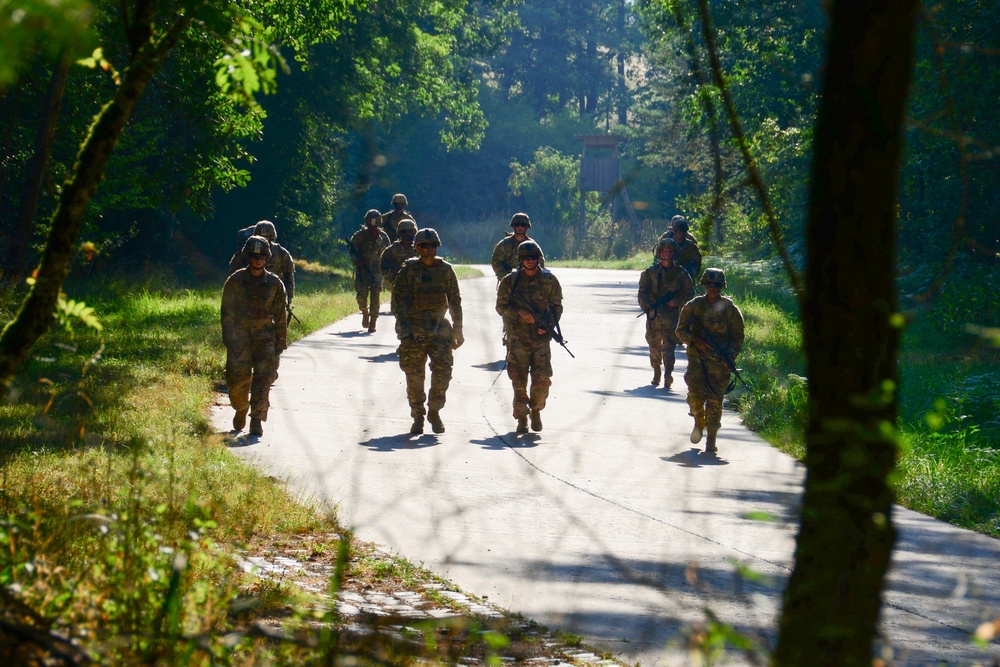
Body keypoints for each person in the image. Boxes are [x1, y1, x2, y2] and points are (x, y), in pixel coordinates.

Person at [392, 228, 464, 434]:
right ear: (418, 248)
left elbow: (455, 301)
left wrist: (458, 330)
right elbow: (399, 303)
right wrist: (405, 330)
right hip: (414, 331)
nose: (429, 250)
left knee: (443, 374)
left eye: (432, 246)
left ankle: (434, 410)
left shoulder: (445, 270)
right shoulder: (408, 271)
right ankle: (418, 416)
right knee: (414, 377)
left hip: (439, 330)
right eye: (425, 246)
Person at [221, 235, 288, 436]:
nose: (258, 260)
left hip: (264, 339)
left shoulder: (275, 284)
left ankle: (257, 419)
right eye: (254, 256)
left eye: (261, 256)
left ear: (267, 258)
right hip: (239, 339)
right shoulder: (235, 281)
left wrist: (279, 344)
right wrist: (230, 339)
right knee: (236, 380)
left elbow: (280, 316)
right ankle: (241, 408)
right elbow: (226, 313)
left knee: (263, 380)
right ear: (248, 257)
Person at [495, 240, 563, 434]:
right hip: (517, 340)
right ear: (520, 259)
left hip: (541, 341)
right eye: (526, 258)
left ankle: (535, 410)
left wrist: (549, 324)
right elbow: (501, 307)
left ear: (538, 259)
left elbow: (557, 307)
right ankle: (522, 418)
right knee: (519, 382)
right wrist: (519, 313)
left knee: (542, 381)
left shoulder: (550, 281)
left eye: (533, 258)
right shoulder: (510, 281)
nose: (530, 261)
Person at [676, 268, 745, 454]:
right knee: (695, 398)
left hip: (719, 362)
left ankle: (711, 440)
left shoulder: (730, 310)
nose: (712, 288)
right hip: (697, 360)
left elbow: (738, 336)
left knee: (715, 401)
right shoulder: (693, 306)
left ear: (722, 286)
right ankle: (699, 420)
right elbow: (680, 330)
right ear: (704, 285)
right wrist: (694, 339)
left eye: (716, 285)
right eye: (709, 284)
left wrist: (730, 353)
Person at [638, 238, 695, 388]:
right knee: (654, 345)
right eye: (665, 251)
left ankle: (668, 373)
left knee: (669, 346)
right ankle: (656, 371)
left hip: (671, 315)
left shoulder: (681, 273)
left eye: (670, 251)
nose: (668, 254)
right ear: (660, 253)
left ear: (674, 253)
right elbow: (642, 293)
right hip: (654, 316)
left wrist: (678, 300)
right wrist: (648, 308)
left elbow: (690, 292)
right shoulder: (650, 273)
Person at [230, 220, 296, 307]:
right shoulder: (245, 253)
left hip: (272, 296)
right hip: (248, 297)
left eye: (266, 237)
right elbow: (233, 275)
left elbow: (288, 276)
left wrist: (288, 297)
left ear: (271, 237)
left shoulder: (281, 253)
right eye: (260, 236)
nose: (263, 239)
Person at [349, 209, 391, 332]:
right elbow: (351, 249)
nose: (373, 228)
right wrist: (355, 260)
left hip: (377, 270)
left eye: (375, 225)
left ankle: (373, 322)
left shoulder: (383, 236)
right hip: (362, 270)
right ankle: (365, 312)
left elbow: (387, 251)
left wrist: (377, 238)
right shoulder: (359, 235)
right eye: (370, 225)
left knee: (375, 296)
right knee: (361, 296)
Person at [491, 213, 543, 282]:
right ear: (513, 226)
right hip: (508, 283)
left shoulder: (532, 245)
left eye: (523, 225)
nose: (520, 227)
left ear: (527, 227)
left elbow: (540, 263)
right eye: (517, 225)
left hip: (528, 283)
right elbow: (496, 262)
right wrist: (506, 278)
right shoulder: (505, 244)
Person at [379, 217, 419, 300]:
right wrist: (391, 280)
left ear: (414, 232)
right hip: (397, 287)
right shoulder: (391, 250)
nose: (407, 234)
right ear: (399, 233)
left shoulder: (420, 249)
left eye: (410, 231)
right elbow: (383, 267)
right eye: (404, 232)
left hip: (417, 288)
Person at [664, 216, 702, 280]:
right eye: (678, 231)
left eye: (683, 231)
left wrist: (691, 273)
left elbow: (697, 262)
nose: (681, 234)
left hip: (686, 277)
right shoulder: (666, 243)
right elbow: (658, 260)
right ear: (674, 232)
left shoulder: (691, 245)